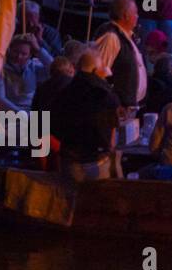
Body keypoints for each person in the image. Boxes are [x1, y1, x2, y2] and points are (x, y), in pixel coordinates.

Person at [51, 49, 123, 180]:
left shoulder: (63, 93)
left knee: (71, 198)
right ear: (95, 70)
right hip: (98, 161)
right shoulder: (105, 95)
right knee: (99, 199)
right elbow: (111, 132)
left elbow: (54, 126)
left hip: (70, 160)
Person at [94, 0, 146, 109]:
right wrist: (112, 102)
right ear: (125, 16)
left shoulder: (127, 36)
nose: (137, 16)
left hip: (129, 106)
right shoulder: (111, 37)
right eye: (135, 13)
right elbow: (99, 74)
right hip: (118, 108)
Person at [0, 34, 46, 113]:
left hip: (31, 112)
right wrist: (22, 114)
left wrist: (38, 49)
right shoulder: (1, 69)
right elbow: (0, 99)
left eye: (24, 54)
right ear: (9, 49)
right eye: (15, 51)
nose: (19, 56)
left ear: (30, 55)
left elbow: (56, 70)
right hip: (10, 113)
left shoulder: (33, 67)